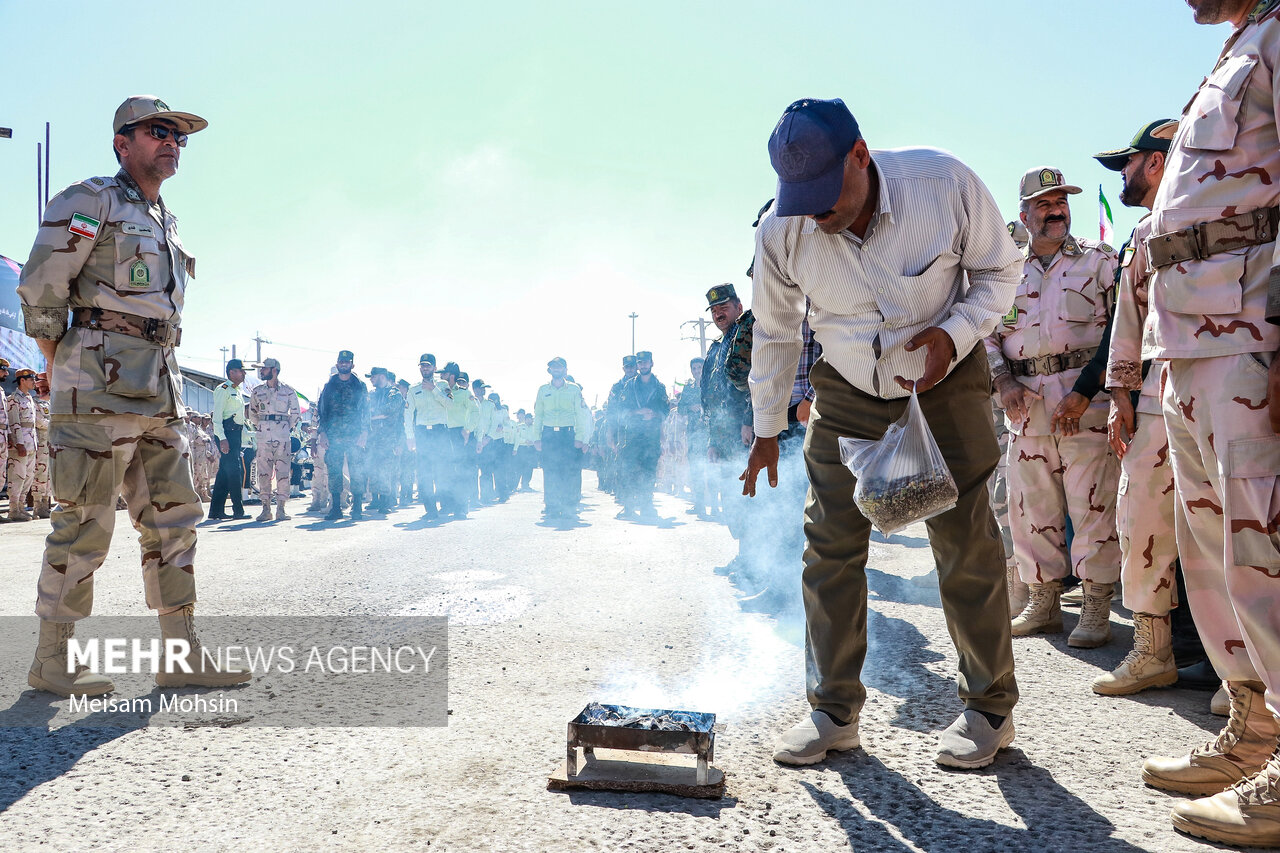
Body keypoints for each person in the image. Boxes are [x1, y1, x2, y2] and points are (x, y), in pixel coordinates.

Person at [743, 97, 1021, 769]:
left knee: (964, 541)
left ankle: (989, 708)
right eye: (799, 198)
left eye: (825, 194)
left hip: (944, 376)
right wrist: (764, 428)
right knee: (830, 545)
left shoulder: (943, 184)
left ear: (860, 155)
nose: (816, 213)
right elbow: (777, 333)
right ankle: (832, 710)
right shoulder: (782, 231)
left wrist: (952, 336)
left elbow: (1000, 272)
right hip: (846, 386)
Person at [16, 94, 248, 695]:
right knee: (85, 525)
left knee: (175, 524)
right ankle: (53, 661)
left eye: (179, 136)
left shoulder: (163, 219)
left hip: (157, 395)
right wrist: (64, 366)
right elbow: (42, 289)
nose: (172, 142)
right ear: (123, 141)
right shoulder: (90, 200)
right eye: (158, 131)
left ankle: (181, 653)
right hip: (94, 394)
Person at [1134, 2, 1280, 844]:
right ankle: (1257, 730)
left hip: (1251, 329)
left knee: (1265, 543)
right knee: (1215, 547)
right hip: (1188, 338)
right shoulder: (1238, 47)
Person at [1079, 119, 1197, 695]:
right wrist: (1121, 394)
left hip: (1219, 383)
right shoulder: (1143, 233)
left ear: (1154, 163)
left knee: (1227, 527)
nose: (1122, 174)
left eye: (1127, 163)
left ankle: (1243, 677)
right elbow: (1128, 319)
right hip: (1152, 398)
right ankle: (1153, 652)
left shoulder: (1217, 212)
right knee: (1142, 519)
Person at [984, 167, 1121, 649]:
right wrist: (1003, 381)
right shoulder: (1003, 271)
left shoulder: (1099, 260)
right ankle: (1042, 604)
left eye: (1061, 200)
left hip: (1085, 404)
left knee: (1093, 506)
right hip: (1027, 410)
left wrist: (1091, 388)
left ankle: (1097, 606)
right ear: (1025, 214)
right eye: (1044, 203)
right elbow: (986, 334)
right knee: (1030, 508)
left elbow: (1122, 330)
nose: (1056, 209)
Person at [614, 351, 671, 519]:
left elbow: (666, 409)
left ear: (652, 363)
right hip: (632, 436)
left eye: (646, 362)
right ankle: (629, 508)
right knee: (629, 471)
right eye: (640, 363)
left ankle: (647, 506)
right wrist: (638, 412)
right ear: (637, 366)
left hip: (651, 436)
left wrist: (655, 414)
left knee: (649, 471)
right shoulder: (629, 386)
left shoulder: (659, 386)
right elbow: (621, 410)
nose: (643, 365)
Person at [534, 357, 590, 519]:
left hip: (568, 435)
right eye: (553, 367)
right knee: (551, 471)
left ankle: (570, 507)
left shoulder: (574, 390)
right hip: (549, 435)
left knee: (570, 472)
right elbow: (539, 415)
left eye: (560, 367)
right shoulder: (543, 390)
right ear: (549, 370)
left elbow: (581, 415)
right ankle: (552, 506)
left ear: (565, 370)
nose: (556, 369)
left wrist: (580, 437)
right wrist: (537, 437)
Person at [248, 357, 301, 522]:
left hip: (283, 437)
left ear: (274, 370)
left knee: (283, 472)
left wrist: (284, 428)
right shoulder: (257, 391)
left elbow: (296, 414)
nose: (261, 371)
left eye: (265, 368)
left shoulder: (288, 391)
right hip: (264, 437)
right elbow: (252, 414)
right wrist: (264, 426)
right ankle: (266, 509)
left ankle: (281, 509)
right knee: (264, 472)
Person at [317, 350, 368, 521]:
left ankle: (358, 507)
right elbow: (322, 411)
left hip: (355, 436)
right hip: (334, 436)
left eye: (347, 362)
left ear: (352, 365)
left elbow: (366, 411)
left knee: (357, 471)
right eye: (341, 362)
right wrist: (322, 432)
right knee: (334, 472)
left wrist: (364, 432)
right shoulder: (329, 385)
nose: (344, 364)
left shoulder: (359, 385)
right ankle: (336, 508)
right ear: (337, 364)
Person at [409, 353, 450, 519]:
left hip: (440, 431)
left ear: (434, 367)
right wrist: (409, 436)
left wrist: (434, 390)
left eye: (428, 365)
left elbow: (449, 403)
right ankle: (430, 509)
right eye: (422, 365)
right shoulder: (413, 389)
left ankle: (445, 505)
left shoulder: (443, 384)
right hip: (422, 432)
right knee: (425, 472)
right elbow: (408, 413)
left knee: (441, 470)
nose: (425, 368)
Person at [209, 357, 248, 520]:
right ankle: (238, 510)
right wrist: (222, 438)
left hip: (235, 434)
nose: (244, 373)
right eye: (241, 370)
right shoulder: (223, 389)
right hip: (226, 433)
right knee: (234, 471)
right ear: (232, 372)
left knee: (224, 473)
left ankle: (216, 511)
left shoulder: (237, 390)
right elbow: (217, 418)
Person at [365, 366, 403, 514]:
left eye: (373, 376)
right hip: (373, 437)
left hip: (389, 438)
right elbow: (365, 411)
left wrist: (374, 415)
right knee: (372, 468)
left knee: (385, 469)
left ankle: (386, 501)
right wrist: (376, 415)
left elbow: (391, 409)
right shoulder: (372, 394)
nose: (371, 379)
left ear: (381, 376)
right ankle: (375, 499)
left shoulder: (394, 392)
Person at [6, 368, 39, 522]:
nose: (34, 382)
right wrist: (19, 443)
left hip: (31, 443)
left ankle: (21, 507)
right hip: (21, 444)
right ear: (22, 381)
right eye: (31, 379)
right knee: (17, 476)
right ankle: (13, 509)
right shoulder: (14, 398)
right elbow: (14, 423)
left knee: (28, 476)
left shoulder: (29, 398)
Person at [677, 357, 709, 516]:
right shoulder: (688, 388)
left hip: (710, 434)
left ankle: (716, 506)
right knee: (696, 469)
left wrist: (703, 408)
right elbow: (680, 409)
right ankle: (699, 505)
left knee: (711, 469)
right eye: (694, 368)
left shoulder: (711, 384)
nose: (697, 371)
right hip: (693, 434)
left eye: (699, 367)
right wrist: (690, 407)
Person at [30, 371, 52, 518]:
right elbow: (38, 421)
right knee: (40, 473)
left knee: (49, 475)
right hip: (41, 442)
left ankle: (45, 502)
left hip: (51, 442)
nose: (42, 387)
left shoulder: (50, 401)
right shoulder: (33, 401)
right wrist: (55, 424)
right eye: (40, 384)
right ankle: (37, 504)